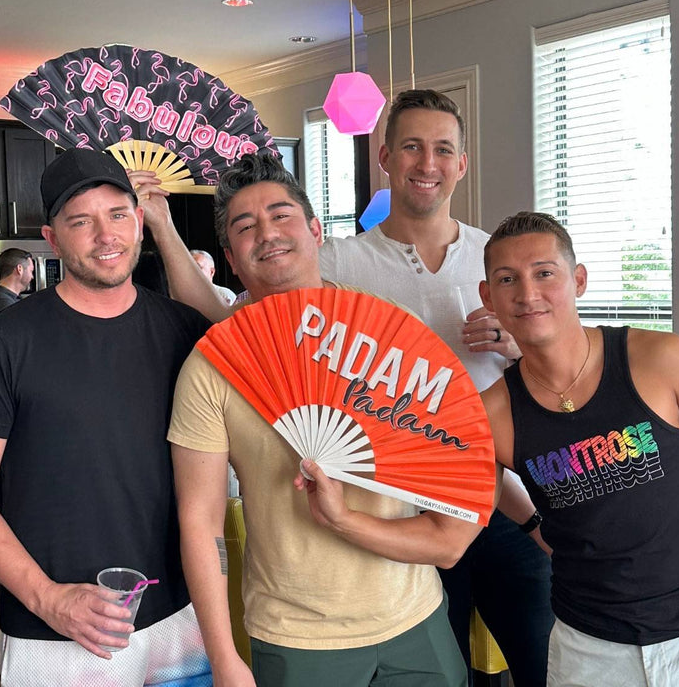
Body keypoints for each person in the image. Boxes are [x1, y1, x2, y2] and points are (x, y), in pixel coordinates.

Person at [162, 153, 539, 687]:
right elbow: (200, 523)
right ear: (230, 258)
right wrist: (223, 657)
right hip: (297, 636)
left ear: (316, 231)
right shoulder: (213, 367)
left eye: (281, 215)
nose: (267, 233)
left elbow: (453, 457)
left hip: (417, 615)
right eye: (245, 227)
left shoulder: (387, 331)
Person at [318, 89, 554, 686]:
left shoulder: (496, 258)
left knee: (547, 665)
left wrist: (516, 344)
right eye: (412, 147)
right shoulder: (338, 264)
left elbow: (560, 362)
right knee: (436, 674)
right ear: (385, 157)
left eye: (443, 149)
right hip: (404, 510)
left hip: (502, 498)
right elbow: (242, 317)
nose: (428, 164)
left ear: (462, 163)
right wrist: (162, 226)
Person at [0, 148, 211, 687]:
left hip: (178, 617)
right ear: (52, 240)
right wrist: (48, 599)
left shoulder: (184, 331)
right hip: (53, 632)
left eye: (117, 214)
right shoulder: (9, 339)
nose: (105, 235)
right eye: (81, 222)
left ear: (139, 220)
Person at [477, 211, 679, 687]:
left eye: (545, 273)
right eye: (508, 279)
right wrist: (532, 524)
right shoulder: (492, 412)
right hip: (586, 650)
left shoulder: (663, 359)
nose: (527, 294)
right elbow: (466, 514)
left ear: (579, 280)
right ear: (488, 297)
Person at [0, 248, 34, 313]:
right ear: (19, 269)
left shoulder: (6, 298)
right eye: (31, 271)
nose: (32, 277)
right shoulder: (5, 303)